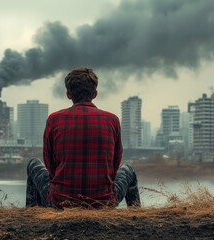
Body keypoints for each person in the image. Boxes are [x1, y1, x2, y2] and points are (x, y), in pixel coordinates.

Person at [26, 67, 141, 209]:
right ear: (95, 93)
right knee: (128, 169)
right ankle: (136, 216)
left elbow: (50, 166)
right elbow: (114, 166)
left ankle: (31, 214)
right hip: (103, 203)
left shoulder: (54, 120)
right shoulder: (112, 120)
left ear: (68, 94)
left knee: (33, 163)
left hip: (60, 202)